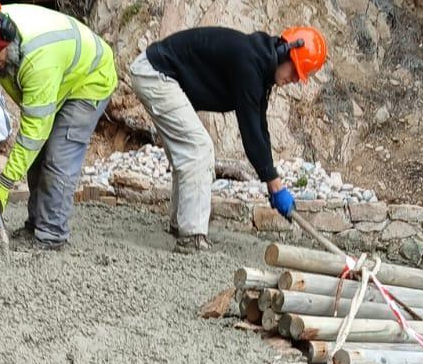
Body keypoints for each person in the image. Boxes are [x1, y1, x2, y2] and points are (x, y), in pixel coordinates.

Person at [128, 24, 328, 252]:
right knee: (199, 148)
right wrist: (274, 183)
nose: (293, 79)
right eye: (294, 71)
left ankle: (179, 224)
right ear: (285, 52)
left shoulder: (260, 66)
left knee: (188, 153)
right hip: (155, 75)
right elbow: (250, 131)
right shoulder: (249, 62)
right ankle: (191, 236)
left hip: (157, 74)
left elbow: (261, 128)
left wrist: (272, 180)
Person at [0, 0, 117, 252]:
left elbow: (33, 133)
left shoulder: (37, 60)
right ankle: (36, 224)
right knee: (35, 157)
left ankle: (52, 236)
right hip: (60, 71)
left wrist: (4, 183)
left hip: (90, 79)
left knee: (57, 156)